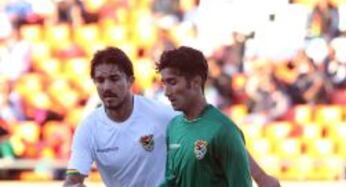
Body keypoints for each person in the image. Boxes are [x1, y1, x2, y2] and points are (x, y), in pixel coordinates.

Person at [64, 46, 280, 187]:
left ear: (130, 81)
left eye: (114, 78)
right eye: (100, 80)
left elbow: (222, 138)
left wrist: (261, 177)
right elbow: (73, 180)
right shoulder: (89, 128)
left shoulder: (161, 115)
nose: (107, 86)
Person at [157, 46, 252, 186]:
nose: (166, 92)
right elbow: (171, 181)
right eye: (164, 84)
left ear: (196, 82)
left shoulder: (224, 130)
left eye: (172, 82)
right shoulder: (173, 127)